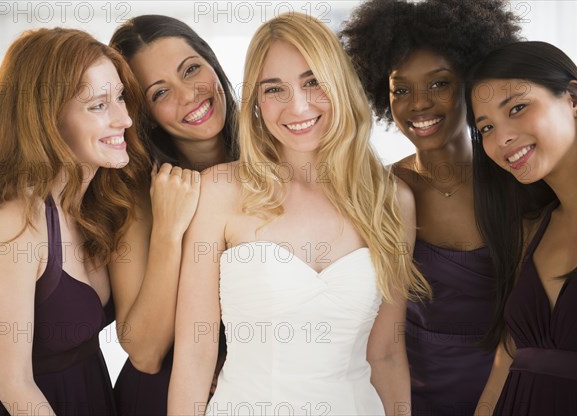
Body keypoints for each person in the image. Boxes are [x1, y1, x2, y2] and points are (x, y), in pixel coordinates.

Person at [168, 12, 432, 415]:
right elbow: (195, 352)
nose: (298, 105)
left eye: (312, 82)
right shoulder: (219, 191)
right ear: (255, 101)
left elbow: (387, 355)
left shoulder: (392, 200)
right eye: (275, 89)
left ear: (340, 84)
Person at [340, 1, 521, 414]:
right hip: (403, 390)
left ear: (471, 83)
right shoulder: (379, 192)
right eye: (401, 90)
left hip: (506, 387)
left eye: (438, 84)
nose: (419, 104)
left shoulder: (515, 182)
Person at [0, 28, 150, 415]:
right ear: (46, 119)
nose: (124, 118)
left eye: (119, 98)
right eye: (98, 105)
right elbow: (13, 384)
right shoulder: (17, 218)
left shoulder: (96, 204)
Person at [108, 15, 238, 415]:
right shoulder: (136, 197)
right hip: (160, 399)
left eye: (192, 69)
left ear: (212, 62)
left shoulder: (279, 157)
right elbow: (145, 354)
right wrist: (168, 229)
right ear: (142, 114)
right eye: (160, 92)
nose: (189, 95)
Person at [466, 40, 577, 416]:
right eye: (485, 127)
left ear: (573, 98)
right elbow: (504, 366)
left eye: (517, 108)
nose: (501, 138)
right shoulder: (529, 231)